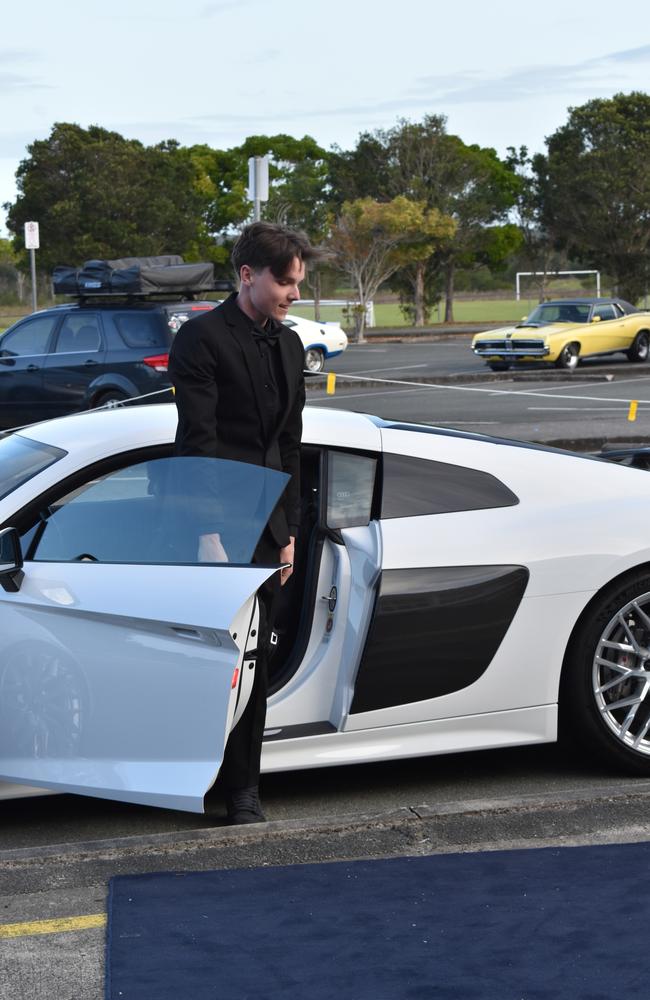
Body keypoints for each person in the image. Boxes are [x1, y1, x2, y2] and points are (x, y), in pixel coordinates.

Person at [168, 222, 317, 824]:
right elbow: (199, 444)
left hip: (265, 531)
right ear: (248, 275)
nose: (295, 294)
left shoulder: (287, 344)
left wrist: (289, 534)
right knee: (211, 663)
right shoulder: (200, 340)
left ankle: (244, 791)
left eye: (299, 282)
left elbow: (288, 446)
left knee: (253, 659)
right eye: (285, 281)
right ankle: (194, 778)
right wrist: (208, 535)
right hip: (210, 529)